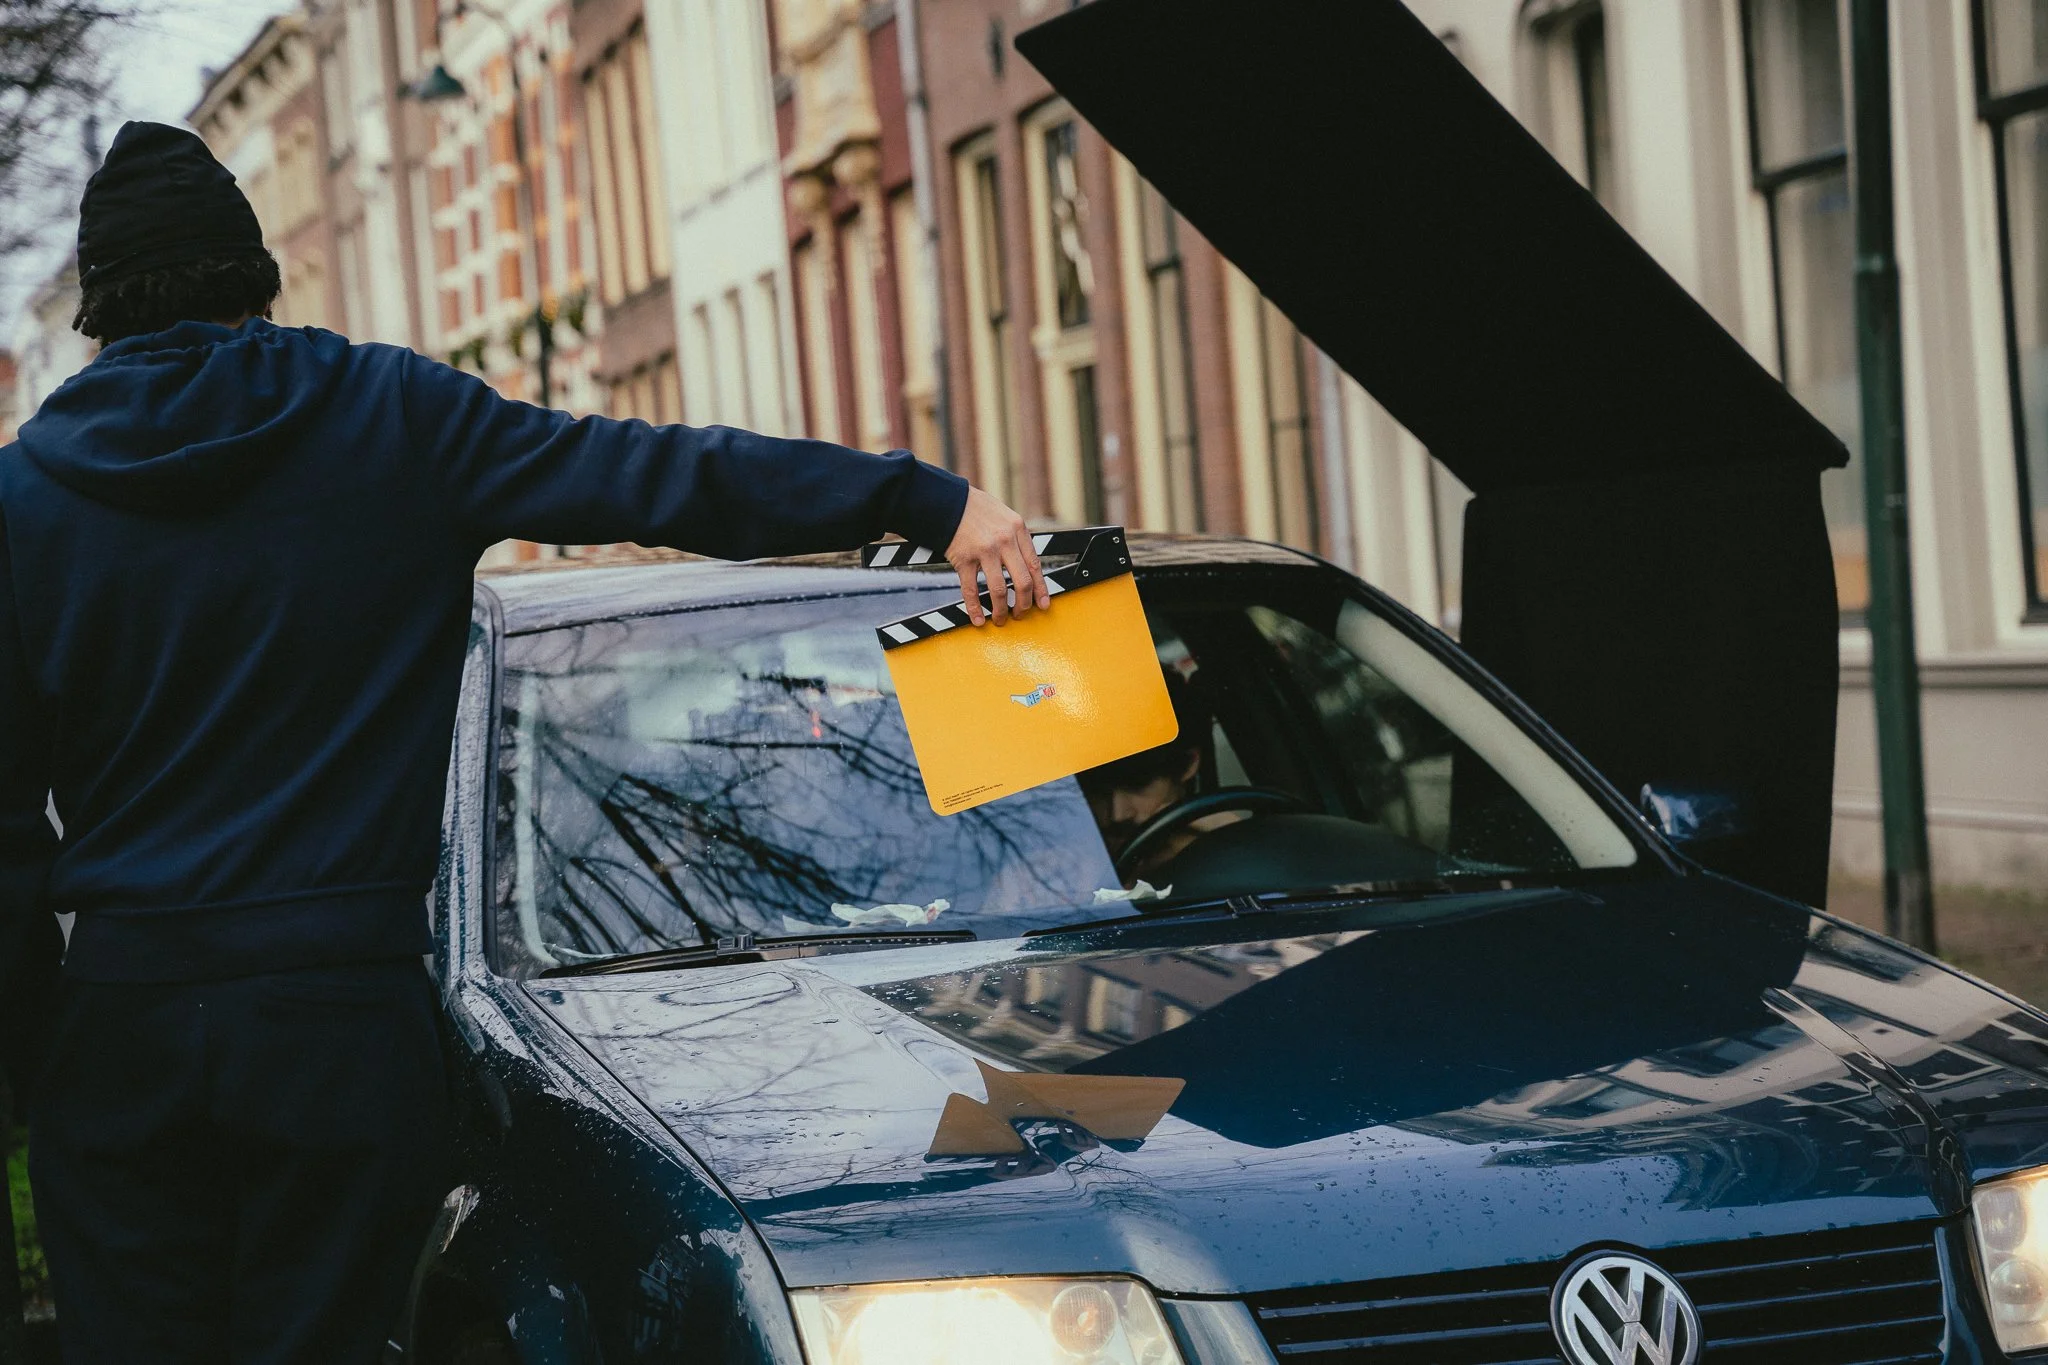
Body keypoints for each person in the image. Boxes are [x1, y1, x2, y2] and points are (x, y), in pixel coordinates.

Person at [0, 121, 1046, 1365]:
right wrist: (916, 499)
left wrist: (32, 1055)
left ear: (101, 311)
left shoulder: (23, 500)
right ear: (252, 281)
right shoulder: (390, 417)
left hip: (124, 1034)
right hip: (339, 1025)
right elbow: (654, 477)